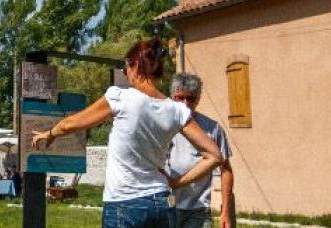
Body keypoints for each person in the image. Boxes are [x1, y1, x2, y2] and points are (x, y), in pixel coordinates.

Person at [31, 39, 223, 228]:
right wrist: (176, 183)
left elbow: (71, 124)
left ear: (135, 65)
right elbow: (214, 155)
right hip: (163, 202)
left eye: (126, 68)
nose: (126, 74)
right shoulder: (177, 110)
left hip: (125, 202)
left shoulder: (120, 97)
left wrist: (49, 133)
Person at [167, 73, 233, 228]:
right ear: (172, 97)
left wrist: (225, 212)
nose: (185, 103)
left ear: (197, 99)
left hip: (199, 209)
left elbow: (226, 170)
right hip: (168, 205)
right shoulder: (162, 126)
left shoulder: (212, 128)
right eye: (179, 97)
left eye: (190, 98)